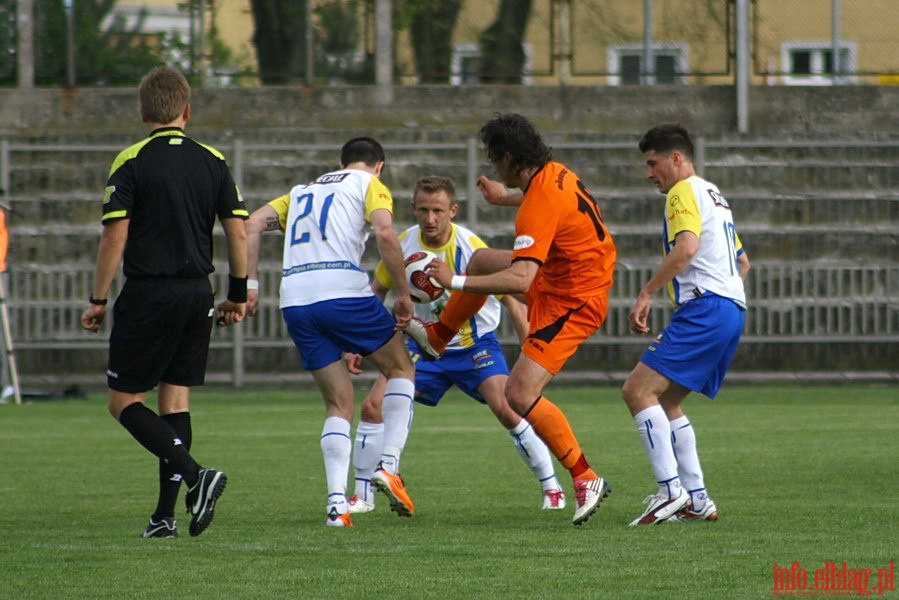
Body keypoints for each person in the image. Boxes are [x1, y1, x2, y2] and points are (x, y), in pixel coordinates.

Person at [412, 113, 617, 526]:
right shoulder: (555, 175)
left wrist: (454, 281)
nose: (492, 167)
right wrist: (505, 197)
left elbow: (521, 277)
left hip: (573, 299)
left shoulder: (540, 202)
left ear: (508, 157)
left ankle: (585, 476)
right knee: (484, 256)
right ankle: (439, 334)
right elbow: (550, 207)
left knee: (518, 395)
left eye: (494, 159)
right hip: (568, 274)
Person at [80, 66, 248, 538]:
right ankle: (164, 517)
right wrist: (236, 294)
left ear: (142, 111)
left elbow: (115, 234)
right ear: (186, 111)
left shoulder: (130, 160)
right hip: (199, 293)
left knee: (123, 402)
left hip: (151, 293)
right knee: (175, 400)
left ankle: (197, 476)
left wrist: (98, 299)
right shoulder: (212, 159)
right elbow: (236, 229)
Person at [344, 175, 566, 514]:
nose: (430, 219)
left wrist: (529, 344)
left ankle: (552, 487)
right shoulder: (402, 245)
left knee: (509, 409)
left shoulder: (471, 248)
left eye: (437, 210)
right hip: (424, 348)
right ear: (413, 209)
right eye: (423, 210)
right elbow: (378, 290)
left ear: (453, 210)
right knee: (373, 407)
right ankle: (363, 496)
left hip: (475, 344)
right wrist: (359, 342)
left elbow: (510, 298)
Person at [243, 136, 417, 528]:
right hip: (341, 292)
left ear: (340, 163)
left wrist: (250, 286)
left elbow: (250, 224)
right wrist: (403, 295)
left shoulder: (302, 191)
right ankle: (388, 464)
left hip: (295, 299)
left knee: (339, 404)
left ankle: (337, 506)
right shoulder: (369, 185)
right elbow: (386, 235)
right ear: (380, 166)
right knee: (401, 369)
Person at [622, 123, 750, 526]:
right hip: (731, 308)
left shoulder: (683, 191)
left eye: (652, 162)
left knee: (637, 390)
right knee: (666, 401)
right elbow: (743, 263)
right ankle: (697, 497)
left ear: (676, 158)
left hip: (708, 308)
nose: (649, 173)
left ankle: (669, 491)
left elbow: (687, 246)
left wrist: (646, 293)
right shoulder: (715, 194)